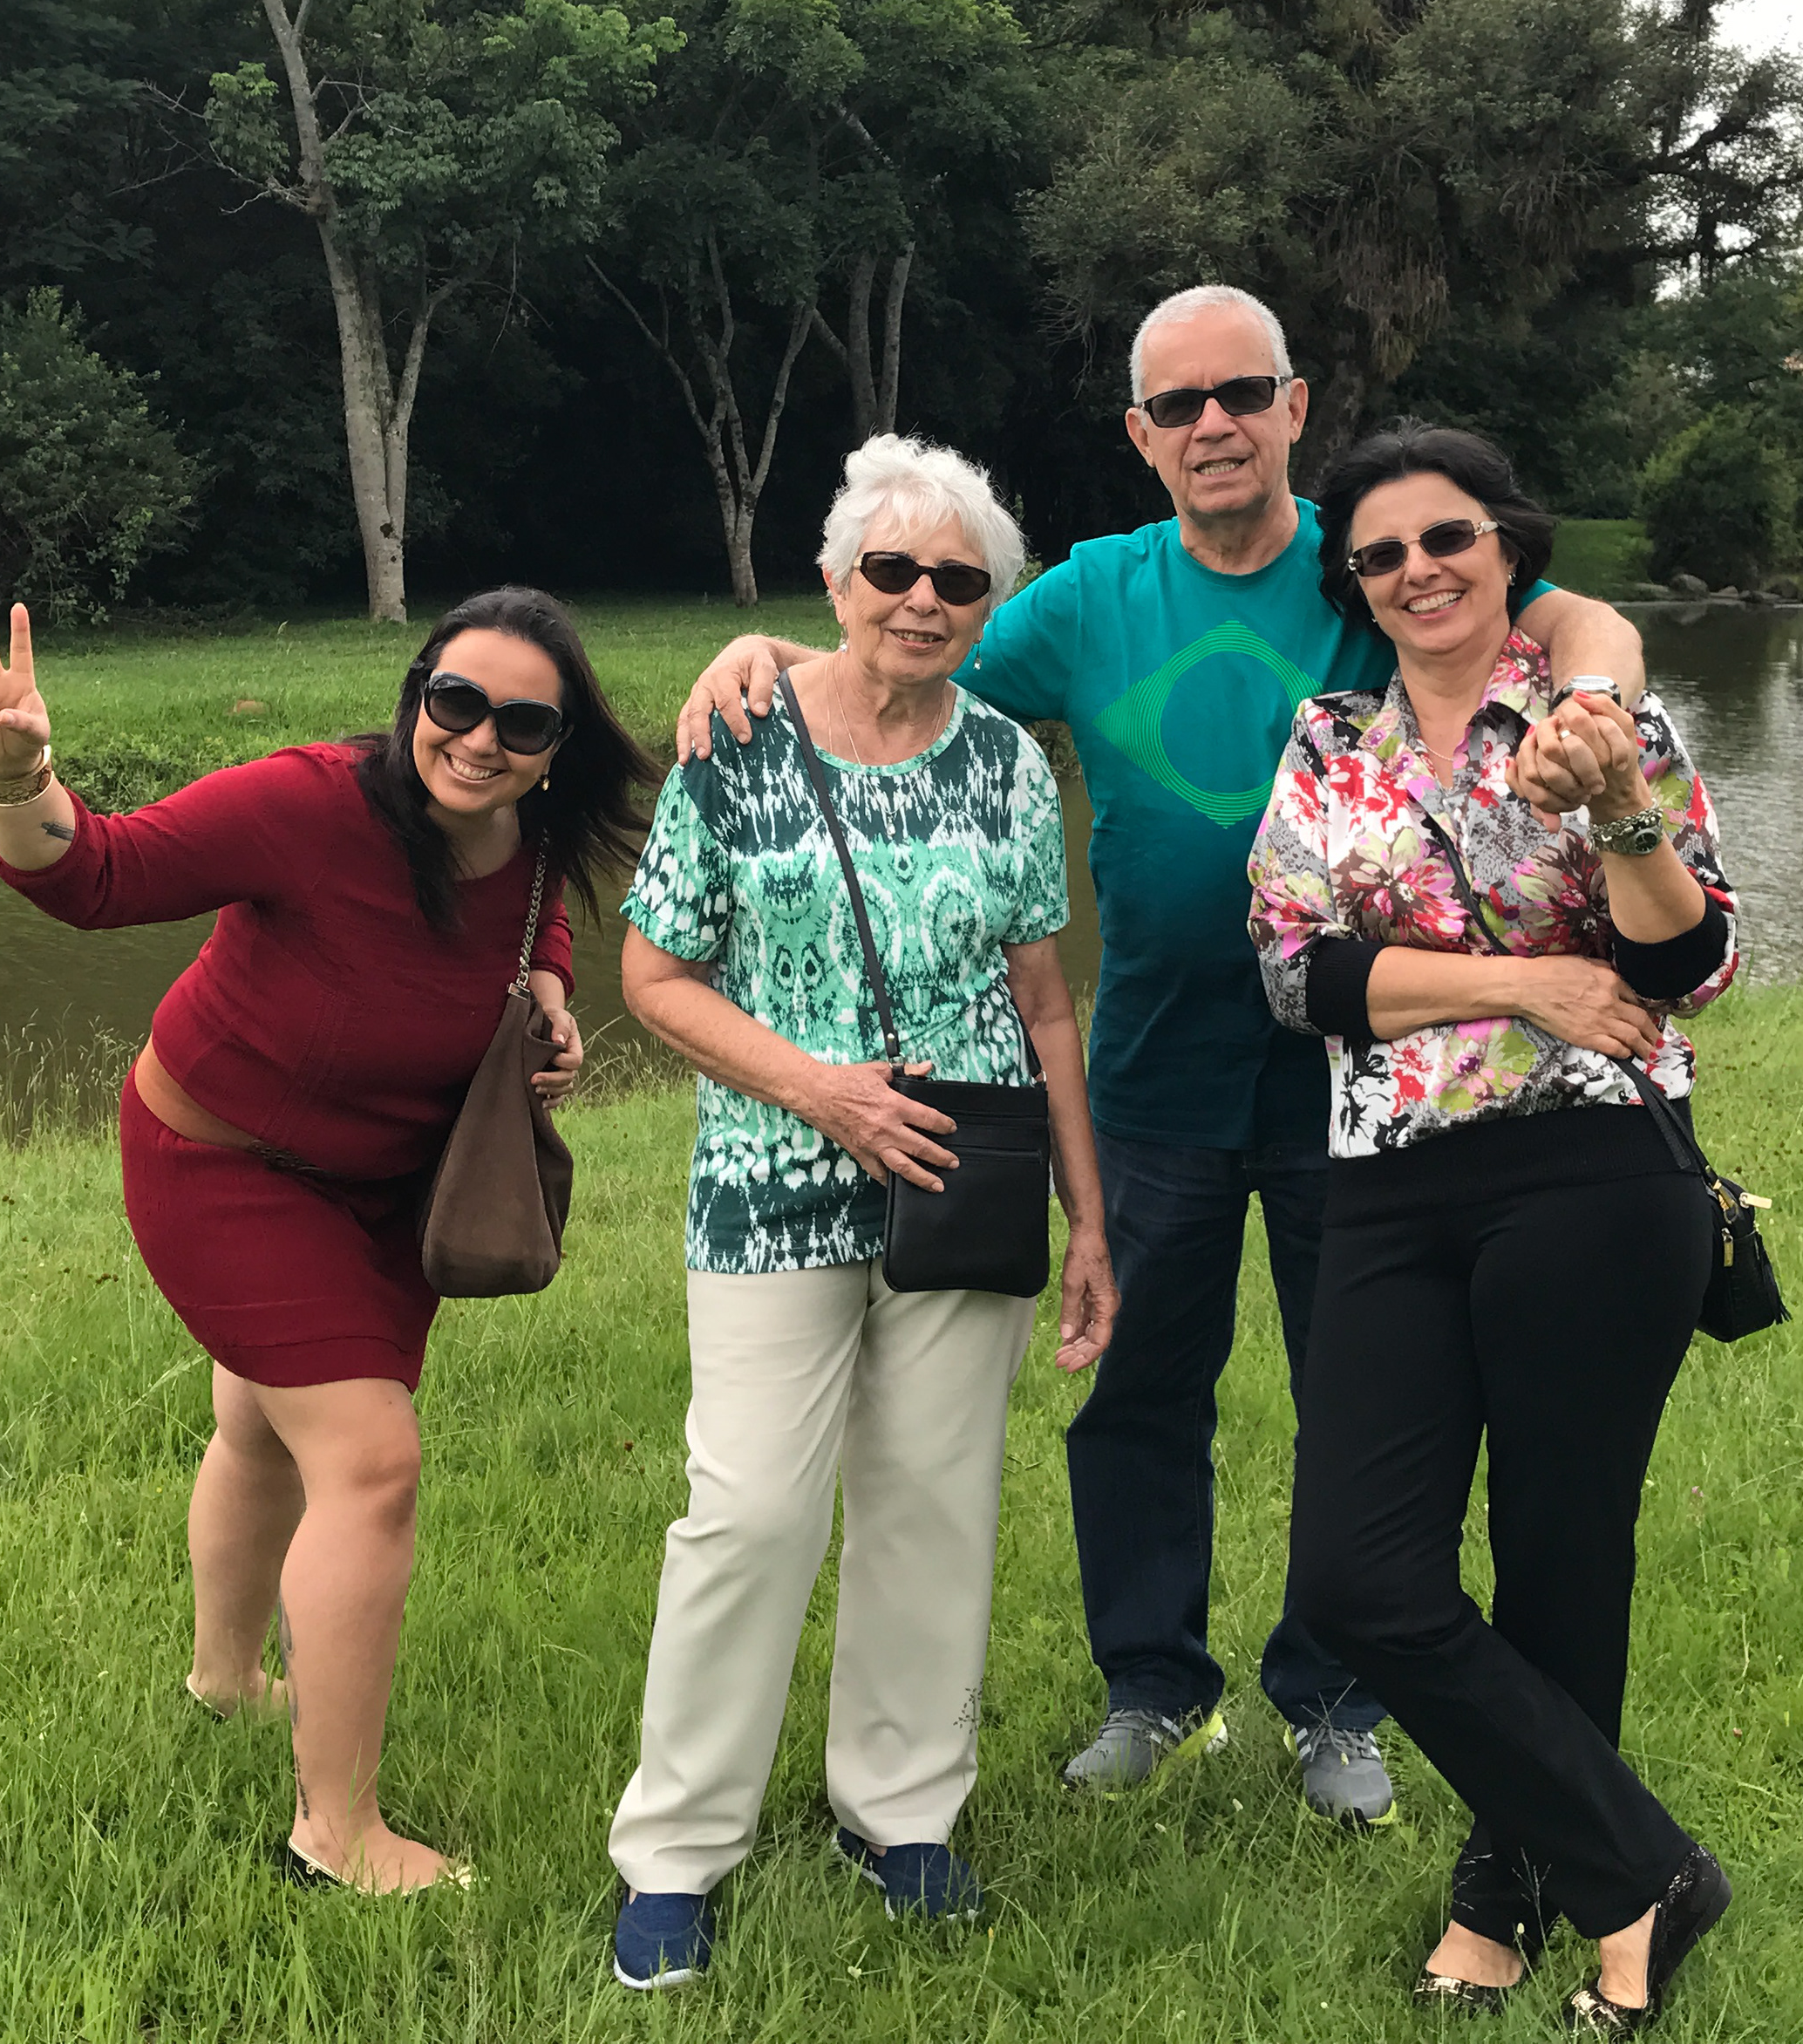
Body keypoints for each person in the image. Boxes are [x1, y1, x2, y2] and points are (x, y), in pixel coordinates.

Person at [677, 286, 1644, 1824]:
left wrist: (1592, 694)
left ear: (1294, 407)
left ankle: (1337, 1698)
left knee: (1365, 1406)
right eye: (1179, 404)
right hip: (1153, 1072)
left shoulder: (1365, 560)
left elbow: (1570, 615)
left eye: (1242, 393)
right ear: (1140, 433)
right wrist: (760, 653)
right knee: (1138, 1394)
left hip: (1368, 1078)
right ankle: (1152, 1684)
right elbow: (910, 652)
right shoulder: (1089, 597)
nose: (1214, 425)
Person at [0, 585, 651, 1895]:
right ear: (415, 695)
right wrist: (16, 775)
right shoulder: (308, 804)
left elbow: (539, 917)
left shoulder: (529, 835)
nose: (481, 740)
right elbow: (91, 875)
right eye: (457, 702)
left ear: (558, 749)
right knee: (372, 1462)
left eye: (522, 723)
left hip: (382, 1189)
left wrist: (549, 997)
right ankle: (337, 1837)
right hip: (221, 1166)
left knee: (261, 1425)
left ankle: (225, 1681)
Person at [607, 436, 1119, 1991]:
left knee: (934, 1506)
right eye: (891, 569)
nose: (923, 598)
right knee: (748, 1513)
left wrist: (1090, 1218)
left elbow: (1045, 999)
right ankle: (678, 1847)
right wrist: (820, 1090)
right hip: (771, 1187)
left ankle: (900, 1815)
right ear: (834, 583)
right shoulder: (737, 738)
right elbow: (654, 975)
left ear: (988, 604)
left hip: (967, 1181)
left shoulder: (1007, 761)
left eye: (959, 578)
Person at [1247, 421, 1738, 2032]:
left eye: (1447, 536)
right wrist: (1524, 981)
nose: (1419, 571)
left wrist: (1624, 815)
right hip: (1388, 1183)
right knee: (1359, 1577)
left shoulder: (1601, 716)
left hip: (1595, 1177)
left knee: (1561, 1556)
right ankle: (1646, 1868)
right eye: (1381, 555)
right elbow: (1297, 974)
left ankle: (1504, 1897)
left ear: (1508, 546)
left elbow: (1688, 968)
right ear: (1355, 587)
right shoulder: (1331, 742)